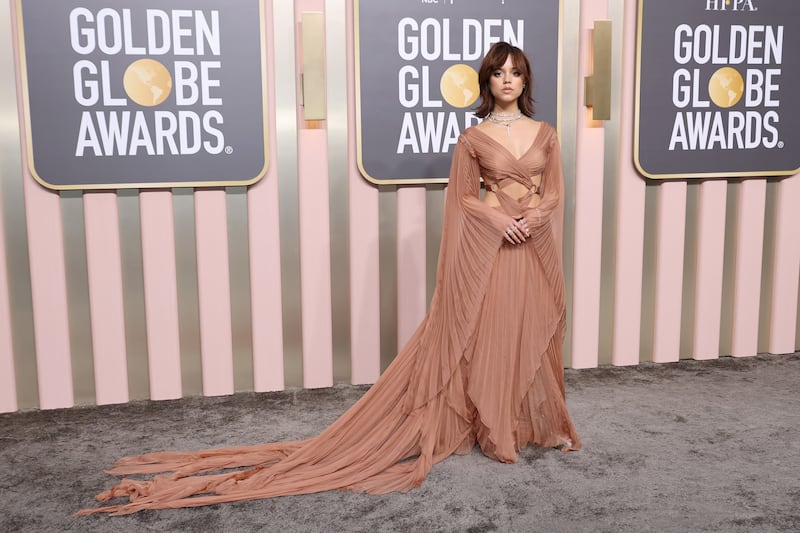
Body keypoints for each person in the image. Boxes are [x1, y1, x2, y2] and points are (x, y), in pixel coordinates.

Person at [77, 41, 580, 516]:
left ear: (525, 79)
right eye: (499, 72)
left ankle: (524, 421)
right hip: (494, 244)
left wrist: (532, 220)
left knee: (525, 327)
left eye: (515, 72)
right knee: (486, 333)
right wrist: (499, 221)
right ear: (486, 80)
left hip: (530, 243)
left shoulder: (546, 133)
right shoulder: (472, 137)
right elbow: (466, 198)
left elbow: (553, 191)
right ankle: (494, 429)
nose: (507, 80)